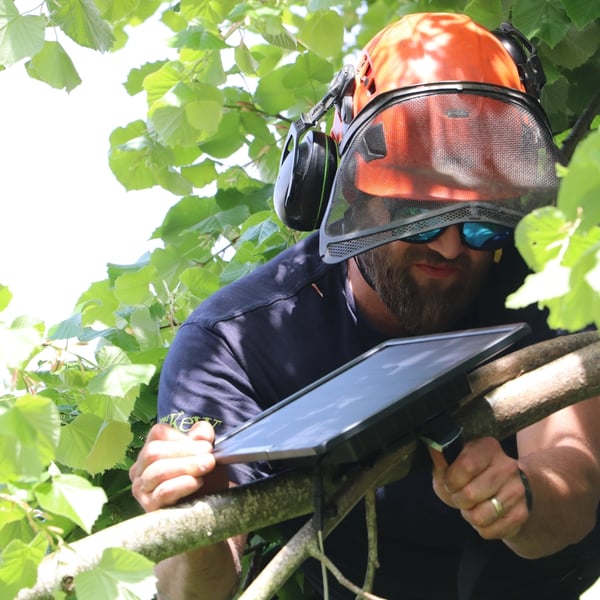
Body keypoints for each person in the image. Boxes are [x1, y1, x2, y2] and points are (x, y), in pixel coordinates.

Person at [129, 12, 600, 600]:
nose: (451, 245)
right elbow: (193, 590)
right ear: (350, 190)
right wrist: (190, 518)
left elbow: (574, 470)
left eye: (480, 223)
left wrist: (523, 498)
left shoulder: (546, 283)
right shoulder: (236, 343)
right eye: (417, 217)